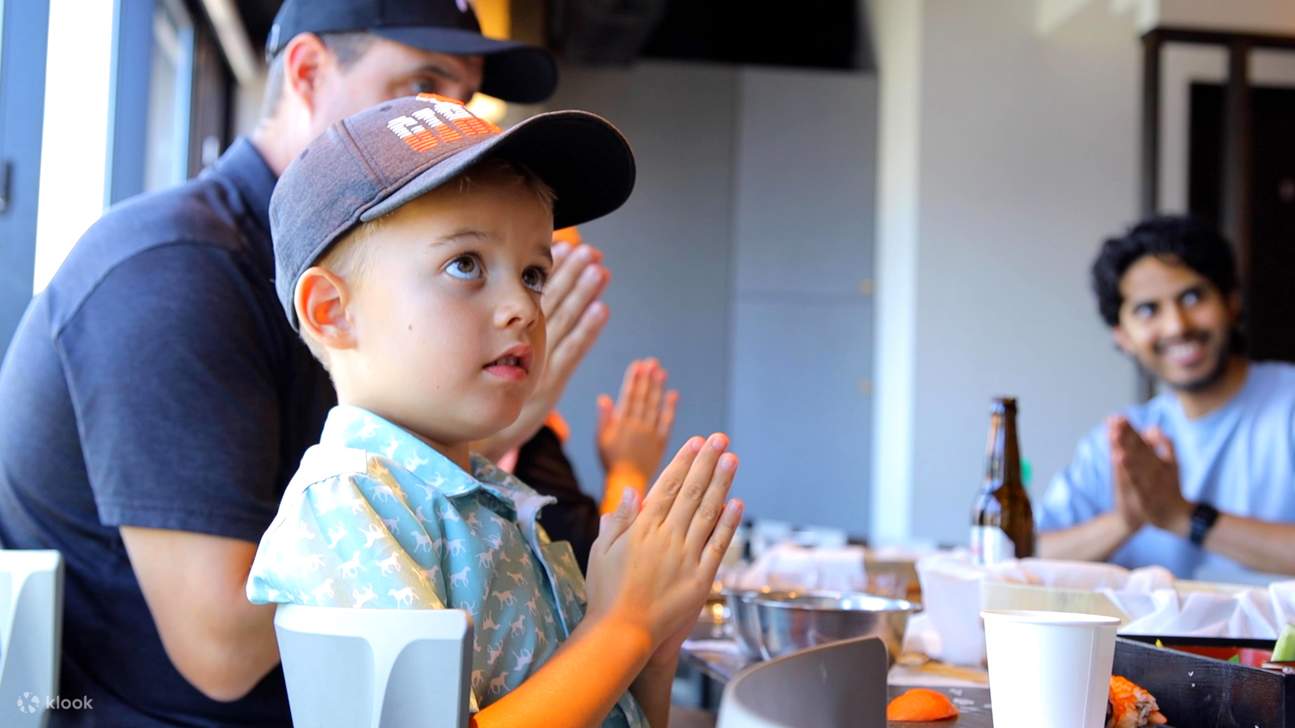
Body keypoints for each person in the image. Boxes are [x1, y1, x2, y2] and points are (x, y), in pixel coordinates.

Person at [0, 1, 607, 724]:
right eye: (422, 87)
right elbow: (221, 651)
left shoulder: (391, 297)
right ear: (309, 71)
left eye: (464, 96)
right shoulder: (174, 269)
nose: (455, 122)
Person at [247, 92, 743, 727]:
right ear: (333, 312)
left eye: (534, 272)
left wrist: (649, 647)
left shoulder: (490, 499)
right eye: (466, 264)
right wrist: (622, 625)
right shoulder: (349, 505)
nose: (525, 308)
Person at [1036, 216, 1295, 580]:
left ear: (1232, 304)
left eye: (1192, 297)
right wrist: (1124, 522)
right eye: (1147, 310)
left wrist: (1185, 518)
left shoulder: (1287, 405)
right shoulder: (1121, 440)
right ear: (1122, 335)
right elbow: (1023, 556)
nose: (1177, 326)